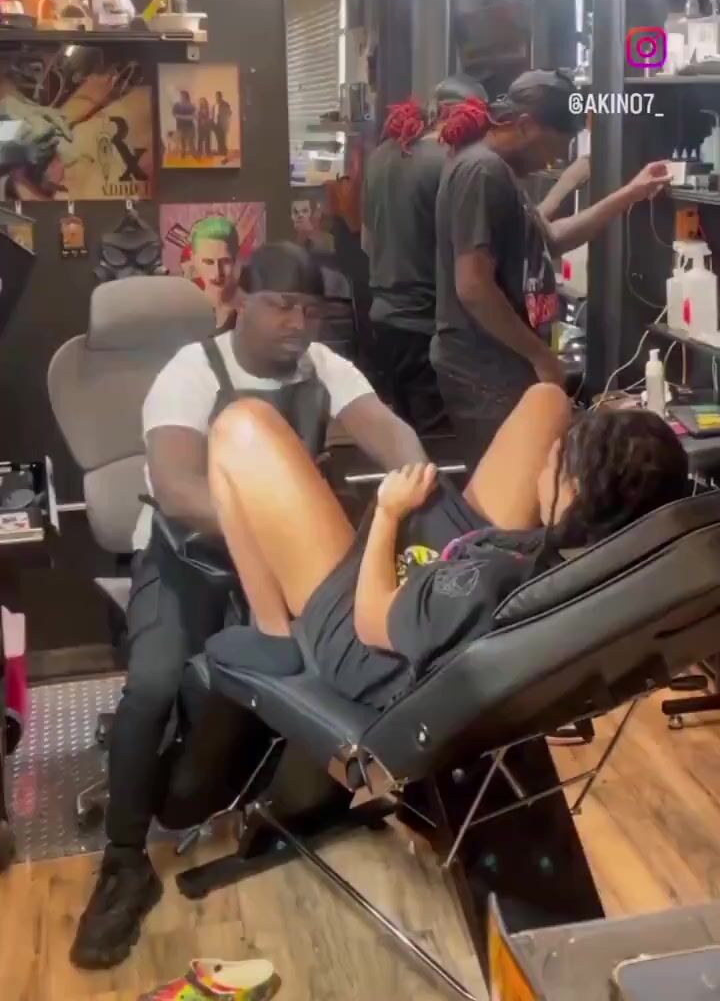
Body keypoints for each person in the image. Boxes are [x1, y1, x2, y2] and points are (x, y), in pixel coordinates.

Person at [70, 242, 429, 971]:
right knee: (154, 684)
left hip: (273, 559)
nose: (298, 324)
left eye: (310, 310)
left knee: (342, 658)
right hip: (188, 557)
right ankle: (124, 861)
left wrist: (417, 476)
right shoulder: (191, 372)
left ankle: (303, 796)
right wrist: (268, 523)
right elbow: (177, 488)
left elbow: (388, 431)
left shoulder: (324, 368)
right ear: (240, 300)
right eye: (281, 306)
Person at [165, 388, 688, 817]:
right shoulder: (602, 557)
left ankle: (273, 631)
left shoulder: (477, 588)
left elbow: (372, 620)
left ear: (573, 492)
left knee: (239, 424)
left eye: (562, 457)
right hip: (463, 566)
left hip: (363, 633)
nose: (553, 451)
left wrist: (389, 512)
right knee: (548, 399)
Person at [432, 68, 673, 466]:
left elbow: (552, 238)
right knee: (512, 486)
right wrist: (541, 356)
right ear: (526, 125)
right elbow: (473, 286)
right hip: (486, 367)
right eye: (554, 146)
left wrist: (631, 193)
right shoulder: (482, 171)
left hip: (500, 364)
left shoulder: (498, 171)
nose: (554, 160)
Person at [361, 75, 487, 436]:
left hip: (384, 321)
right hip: (426, 329)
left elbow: (367, 241)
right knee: (441, 445)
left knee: (407, 436)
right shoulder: (450, 165)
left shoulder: (381, 156)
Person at [185, 215, 240, 330]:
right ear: (193, 259)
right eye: (208, 262)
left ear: (235, 259)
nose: (217, 273)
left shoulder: (251, 314)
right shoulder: (185, 312)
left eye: (225, 261)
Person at [172, 90, 196, 159]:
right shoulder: (176, 105)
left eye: (183, 96)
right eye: (181, 96)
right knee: (182, 142)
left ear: (187, 97)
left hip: (190, 126)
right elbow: (175, 115)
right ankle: (183, 154)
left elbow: (192, 117)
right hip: (180, 126)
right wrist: (186, 117)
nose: (182, 97)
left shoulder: (191, 105)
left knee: (190, 142)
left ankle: (195, 156)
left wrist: (181, 117)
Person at [212, 90, 232, 159]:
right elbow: (213, 114)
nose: (217, 97)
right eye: (216, 96)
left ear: (221, 96)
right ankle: (220, 151)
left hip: (222, 123)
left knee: (223, 138)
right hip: (215, 123)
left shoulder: (225, 104)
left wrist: (223, 115)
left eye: (218, 96)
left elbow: (229, 113)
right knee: (218, 138)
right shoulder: (214, 105)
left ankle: (224, 152)